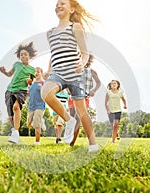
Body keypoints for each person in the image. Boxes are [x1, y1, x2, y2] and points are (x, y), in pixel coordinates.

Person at [41, 0, 99, 152]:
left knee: (81, 110)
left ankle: (93, 144)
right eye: (57, 4)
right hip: (58, 73)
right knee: (45, 93)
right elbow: (54, 54)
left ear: (72, 9)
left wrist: (83, 62)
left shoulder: (75, 27)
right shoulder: (50, 33)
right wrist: (49, 69)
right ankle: (69, 120)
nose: (58, 5)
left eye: (63, 3)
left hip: (74, 73)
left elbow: (84, 51)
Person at [0, 42, 37, 144]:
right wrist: (4, 72)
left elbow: (32, 83)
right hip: (10, 90)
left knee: (16, 107)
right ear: (19, 57)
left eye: (25, 54)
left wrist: (29, 82)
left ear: (30, 56)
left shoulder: (32, 70)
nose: (23, 56)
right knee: (11, 116)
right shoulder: (16, 64)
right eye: (21, 55)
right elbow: (9, 74)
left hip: (22, 90)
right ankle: (15, 131)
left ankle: (15, 133)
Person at [69, 54, 101, 146]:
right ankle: (70, 137)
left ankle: (72, 142)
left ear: (88, 59)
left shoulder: (92, 71)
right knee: (72, 119)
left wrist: (93, 90)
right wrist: (68, 90)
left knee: (78, 118)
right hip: (73, 97)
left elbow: (98, 83)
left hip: (84, 97)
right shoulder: (74, 70)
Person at [27, 67, 46, 145]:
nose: (37, 73)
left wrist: (42, 88)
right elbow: (29, 94)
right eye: (35, 72)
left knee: (36, 124)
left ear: (41, 73)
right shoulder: (32, 84)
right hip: (31, 106)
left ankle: (37, 142)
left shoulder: (43, 83)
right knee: (28, 124)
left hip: (40, 106)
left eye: (38, 72)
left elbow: (46, 93)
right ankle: (41, 121)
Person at [105, 80, 127, 144]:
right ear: (110, 85)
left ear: (118, 85)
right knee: (113, 127)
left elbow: (124, 100)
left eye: (115, 83)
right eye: (112, 84)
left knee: (116, 125)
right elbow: (106, 103)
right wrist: (107, 110)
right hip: (110, 111)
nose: (113, 84)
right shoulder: (108, 92)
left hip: (118, 110)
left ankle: (113, 141)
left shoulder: (120, 92)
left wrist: (125, 105)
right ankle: (116, 133)